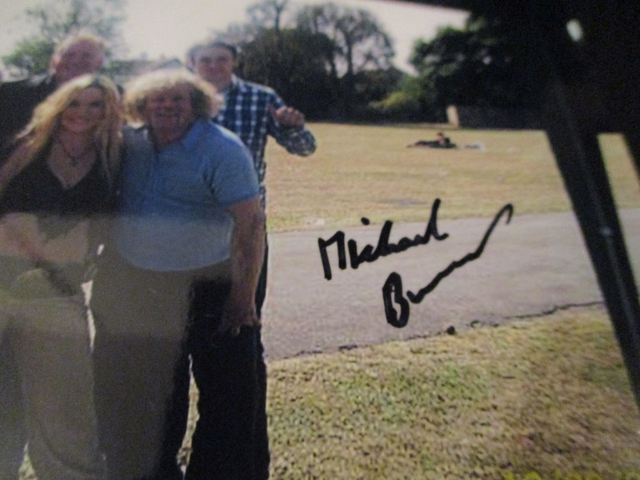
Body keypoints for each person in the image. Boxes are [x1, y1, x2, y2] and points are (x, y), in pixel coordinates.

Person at [90, 69, 265, 480]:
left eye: (178, 99)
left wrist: (243, 297)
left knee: (227, 396)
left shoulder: (221, 149)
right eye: (157, 99)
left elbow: (251, 225)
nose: (166, 106)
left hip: (208, 284)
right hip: (142, 285)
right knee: (153, 393)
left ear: (196, 106)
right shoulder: (132, 142)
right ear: (142, 105)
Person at [160, 39, 317, 480]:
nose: (213, 66)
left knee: (238, 342)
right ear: (192, 63)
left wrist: (294, 126)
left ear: (234, 63)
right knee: (175, 349)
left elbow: (304, 147)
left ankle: (236, 465)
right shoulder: (176, 98)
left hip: (241, 235)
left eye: (221, 59)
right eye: (205, 60)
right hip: (178, 238)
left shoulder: (260, 98)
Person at [0, 74, 121, 480]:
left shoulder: (112, 156)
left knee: (66, 406)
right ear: (59, 105)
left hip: (58, 292)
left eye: (94, 104)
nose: (82, 113)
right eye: (74, 103)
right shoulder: (30, 146)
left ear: (108, 110)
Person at [0, 31, 106, 150]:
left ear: (100, 62)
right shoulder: (13, 93)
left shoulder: (111, 99)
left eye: (87, 56)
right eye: (68, 55)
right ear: (54, 60)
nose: (76, 61)